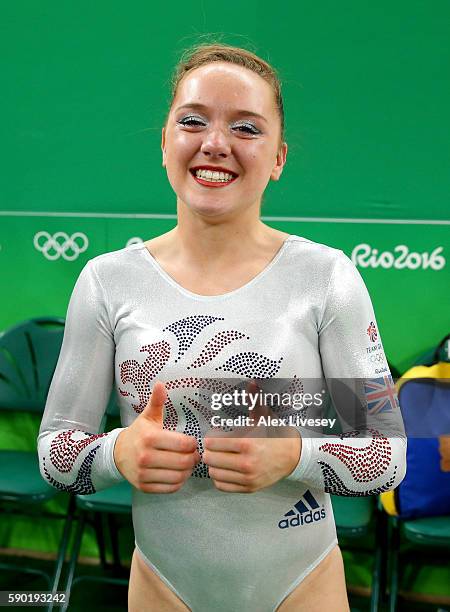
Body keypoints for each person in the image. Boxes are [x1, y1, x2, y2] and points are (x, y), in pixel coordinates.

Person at [38, 43, 407, 611]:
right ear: (165, 142)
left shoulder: (327, 278)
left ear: (279, 158)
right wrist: (118, 454)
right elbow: (56, 452)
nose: (215, 143)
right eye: (192, 121)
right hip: (164, 585)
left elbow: (388, 453)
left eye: (246, 127)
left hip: (302, 585)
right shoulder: (106, 281)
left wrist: (293, 458)